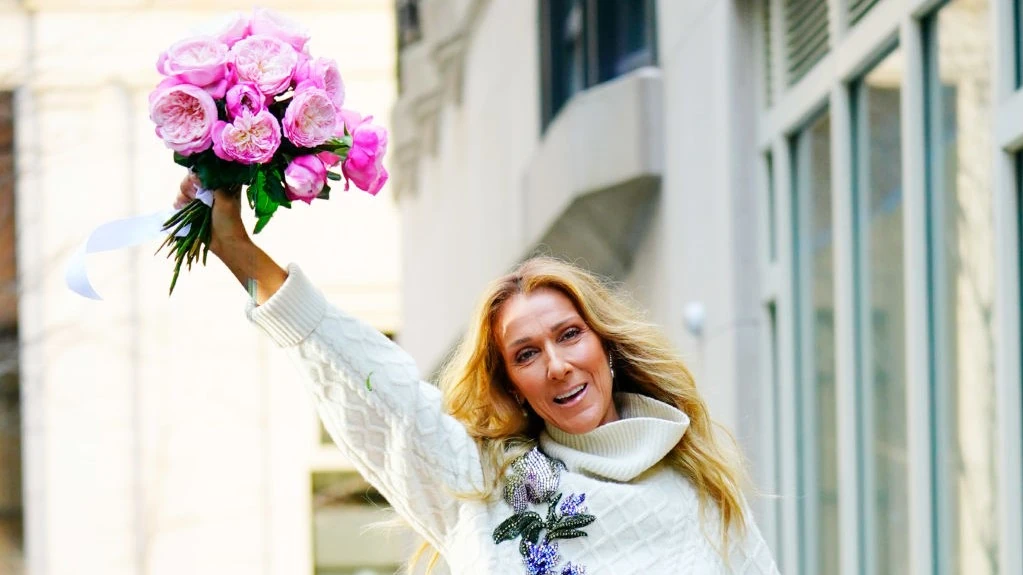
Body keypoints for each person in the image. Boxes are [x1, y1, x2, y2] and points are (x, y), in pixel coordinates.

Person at [176, 174, 780, 574]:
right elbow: (380, 390)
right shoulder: (487, 484)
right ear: (512, 385)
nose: (557, 365)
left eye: (570, 335)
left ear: (607, 346)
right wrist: (240, 253)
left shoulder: (704, 496)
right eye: (526, 355)